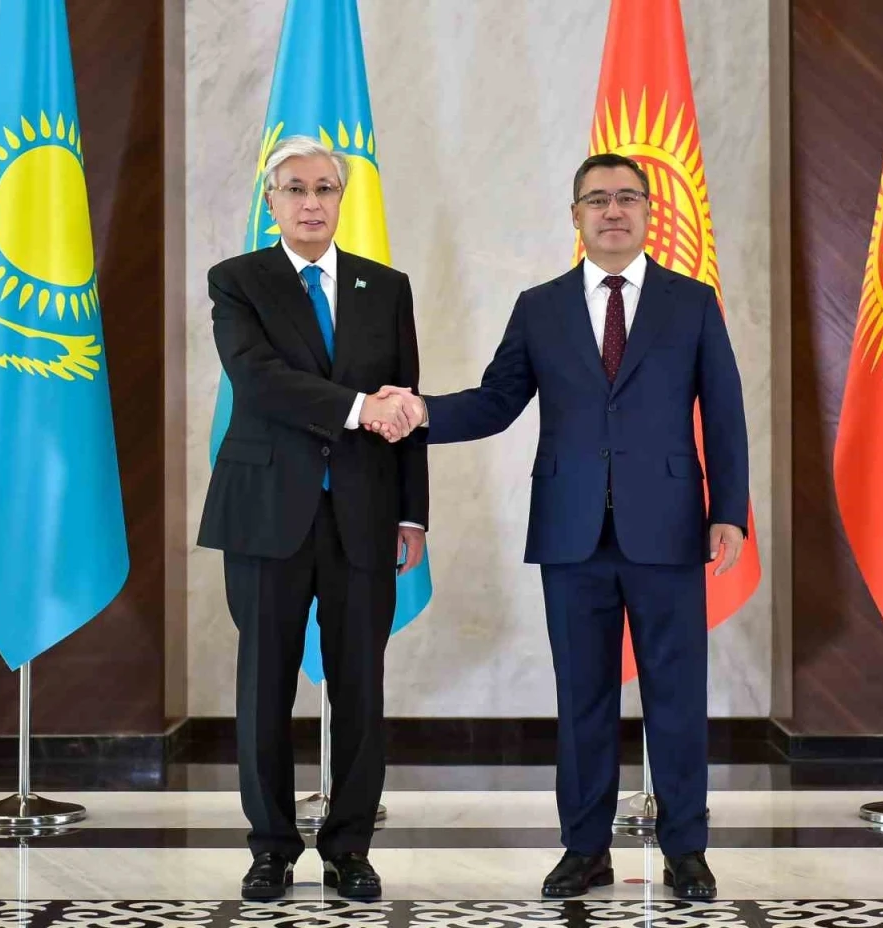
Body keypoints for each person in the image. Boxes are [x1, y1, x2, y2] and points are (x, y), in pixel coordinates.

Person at [374, 153, 748, 900]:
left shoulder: (691, 302)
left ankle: (687, 850)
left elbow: (725, 412)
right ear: (574, 216)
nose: (613, 211)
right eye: (597, 200)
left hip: (669, 529)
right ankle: (584, 848)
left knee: (677, 696)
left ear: (649, 213)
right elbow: (496, 401)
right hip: (572, 533)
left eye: (627, 198)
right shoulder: (539, 307)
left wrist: (729, 513)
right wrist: (419, 412)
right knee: (582, 697)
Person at [197, 136, 426, 901]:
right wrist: (359, 407)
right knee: (265, 685)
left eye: (325, 188)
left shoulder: (385, 287)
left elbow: (407, 405)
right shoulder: (238, 280)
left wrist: (413, 514)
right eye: (295, 188)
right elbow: (258, 380)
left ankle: (349, 848)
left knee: (361, 687)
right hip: (267, 511)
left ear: (341, 198)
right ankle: (270, 849)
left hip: (365, 513)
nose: (311, 202)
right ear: (271, 201)